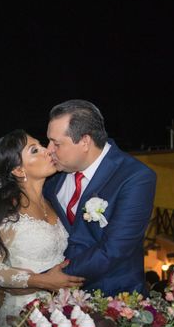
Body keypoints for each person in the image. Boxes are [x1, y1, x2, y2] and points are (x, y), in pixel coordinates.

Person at [0, 129, 84, 327]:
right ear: (18, 170)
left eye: (41, 145)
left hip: (61, 309)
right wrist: (41, 281)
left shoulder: (52, 203)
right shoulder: (5, 211)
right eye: (35, 150)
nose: (46, 151)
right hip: (23, 316)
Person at [43, 100, 156, 296]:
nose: (48, 149)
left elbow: (114, 250)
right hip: (58, 303)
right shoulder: (52, 177)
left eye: (56, 143)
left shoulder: (135, 177)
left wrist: (44, 279)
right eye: (49, 141)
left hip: (115, 299)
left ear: (85, 141)